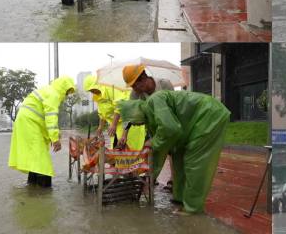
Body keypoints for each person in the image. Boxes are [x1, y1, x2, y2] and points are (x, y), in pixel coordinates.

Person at [119, 65, 230, 214]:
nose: (138, 124)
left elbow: (170, 128)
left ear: (141, 81)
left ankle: (192, 208)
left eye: (135, 122)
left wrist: (153, 143)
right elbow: (166, 138)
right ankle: (179, 197)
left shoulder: (156, 99)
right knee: (177, 156)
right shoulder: (145, 105)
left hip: (209, 116)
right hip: (188, 124)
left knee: (193, 161)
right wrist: (151, 171)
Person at [8, 76, 76, 188]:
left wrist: (52, 135)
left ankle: (32, 189)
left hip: (26, 122)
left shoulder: (48, 90)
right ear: (63, 88)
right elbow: (51, 117)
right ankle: (44, 193)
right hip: (29, 123)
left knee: (36, 158)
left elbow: (42, 117)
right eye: (67, 92)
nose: (67, 95)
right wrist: (55, 139)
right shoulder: (53, 95)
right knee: (42, 161)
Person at [83, 75, 145, 150]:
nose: (93, 91)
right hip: (115, 128)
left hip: (128, 123)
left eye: (93, 88)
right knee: (116, 151)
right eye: (90, 90)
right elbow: (102, 114)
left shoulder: (111, 88)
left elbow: (119, 105)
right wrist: (100, 127)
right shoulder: (98, 97)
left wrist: (114, 125)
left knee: (130, 150)